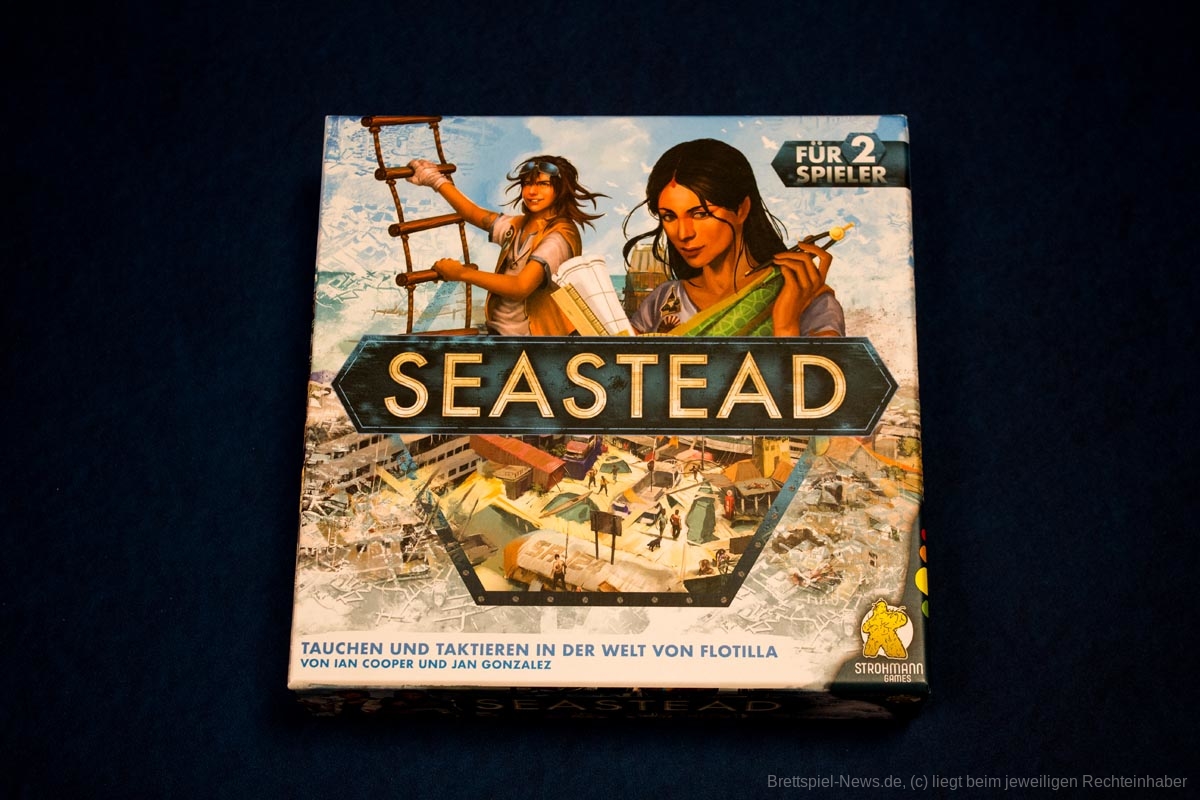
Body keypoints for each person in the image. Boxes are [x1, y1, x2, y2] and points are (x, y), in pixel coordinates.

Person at [622, 138, 845, 337]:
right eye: (669, 216)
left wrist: (786, 326)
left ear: (741, 209)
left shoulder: (811, 302)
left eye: (700, 214)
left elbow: (825, 372)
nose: (683, 234)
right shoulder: (663, 299)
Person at [406, 155, 606, 335]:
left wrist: (461, 273)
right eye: (527, 184)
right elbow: (472, 213)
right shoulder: (518, 225)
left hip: (535, 340)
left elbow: (520, 287)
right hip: (501, 333)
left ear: (560, 190)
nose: (532, 192)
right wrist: (435, 179)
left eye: (543, 184)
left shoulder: (560, 236)